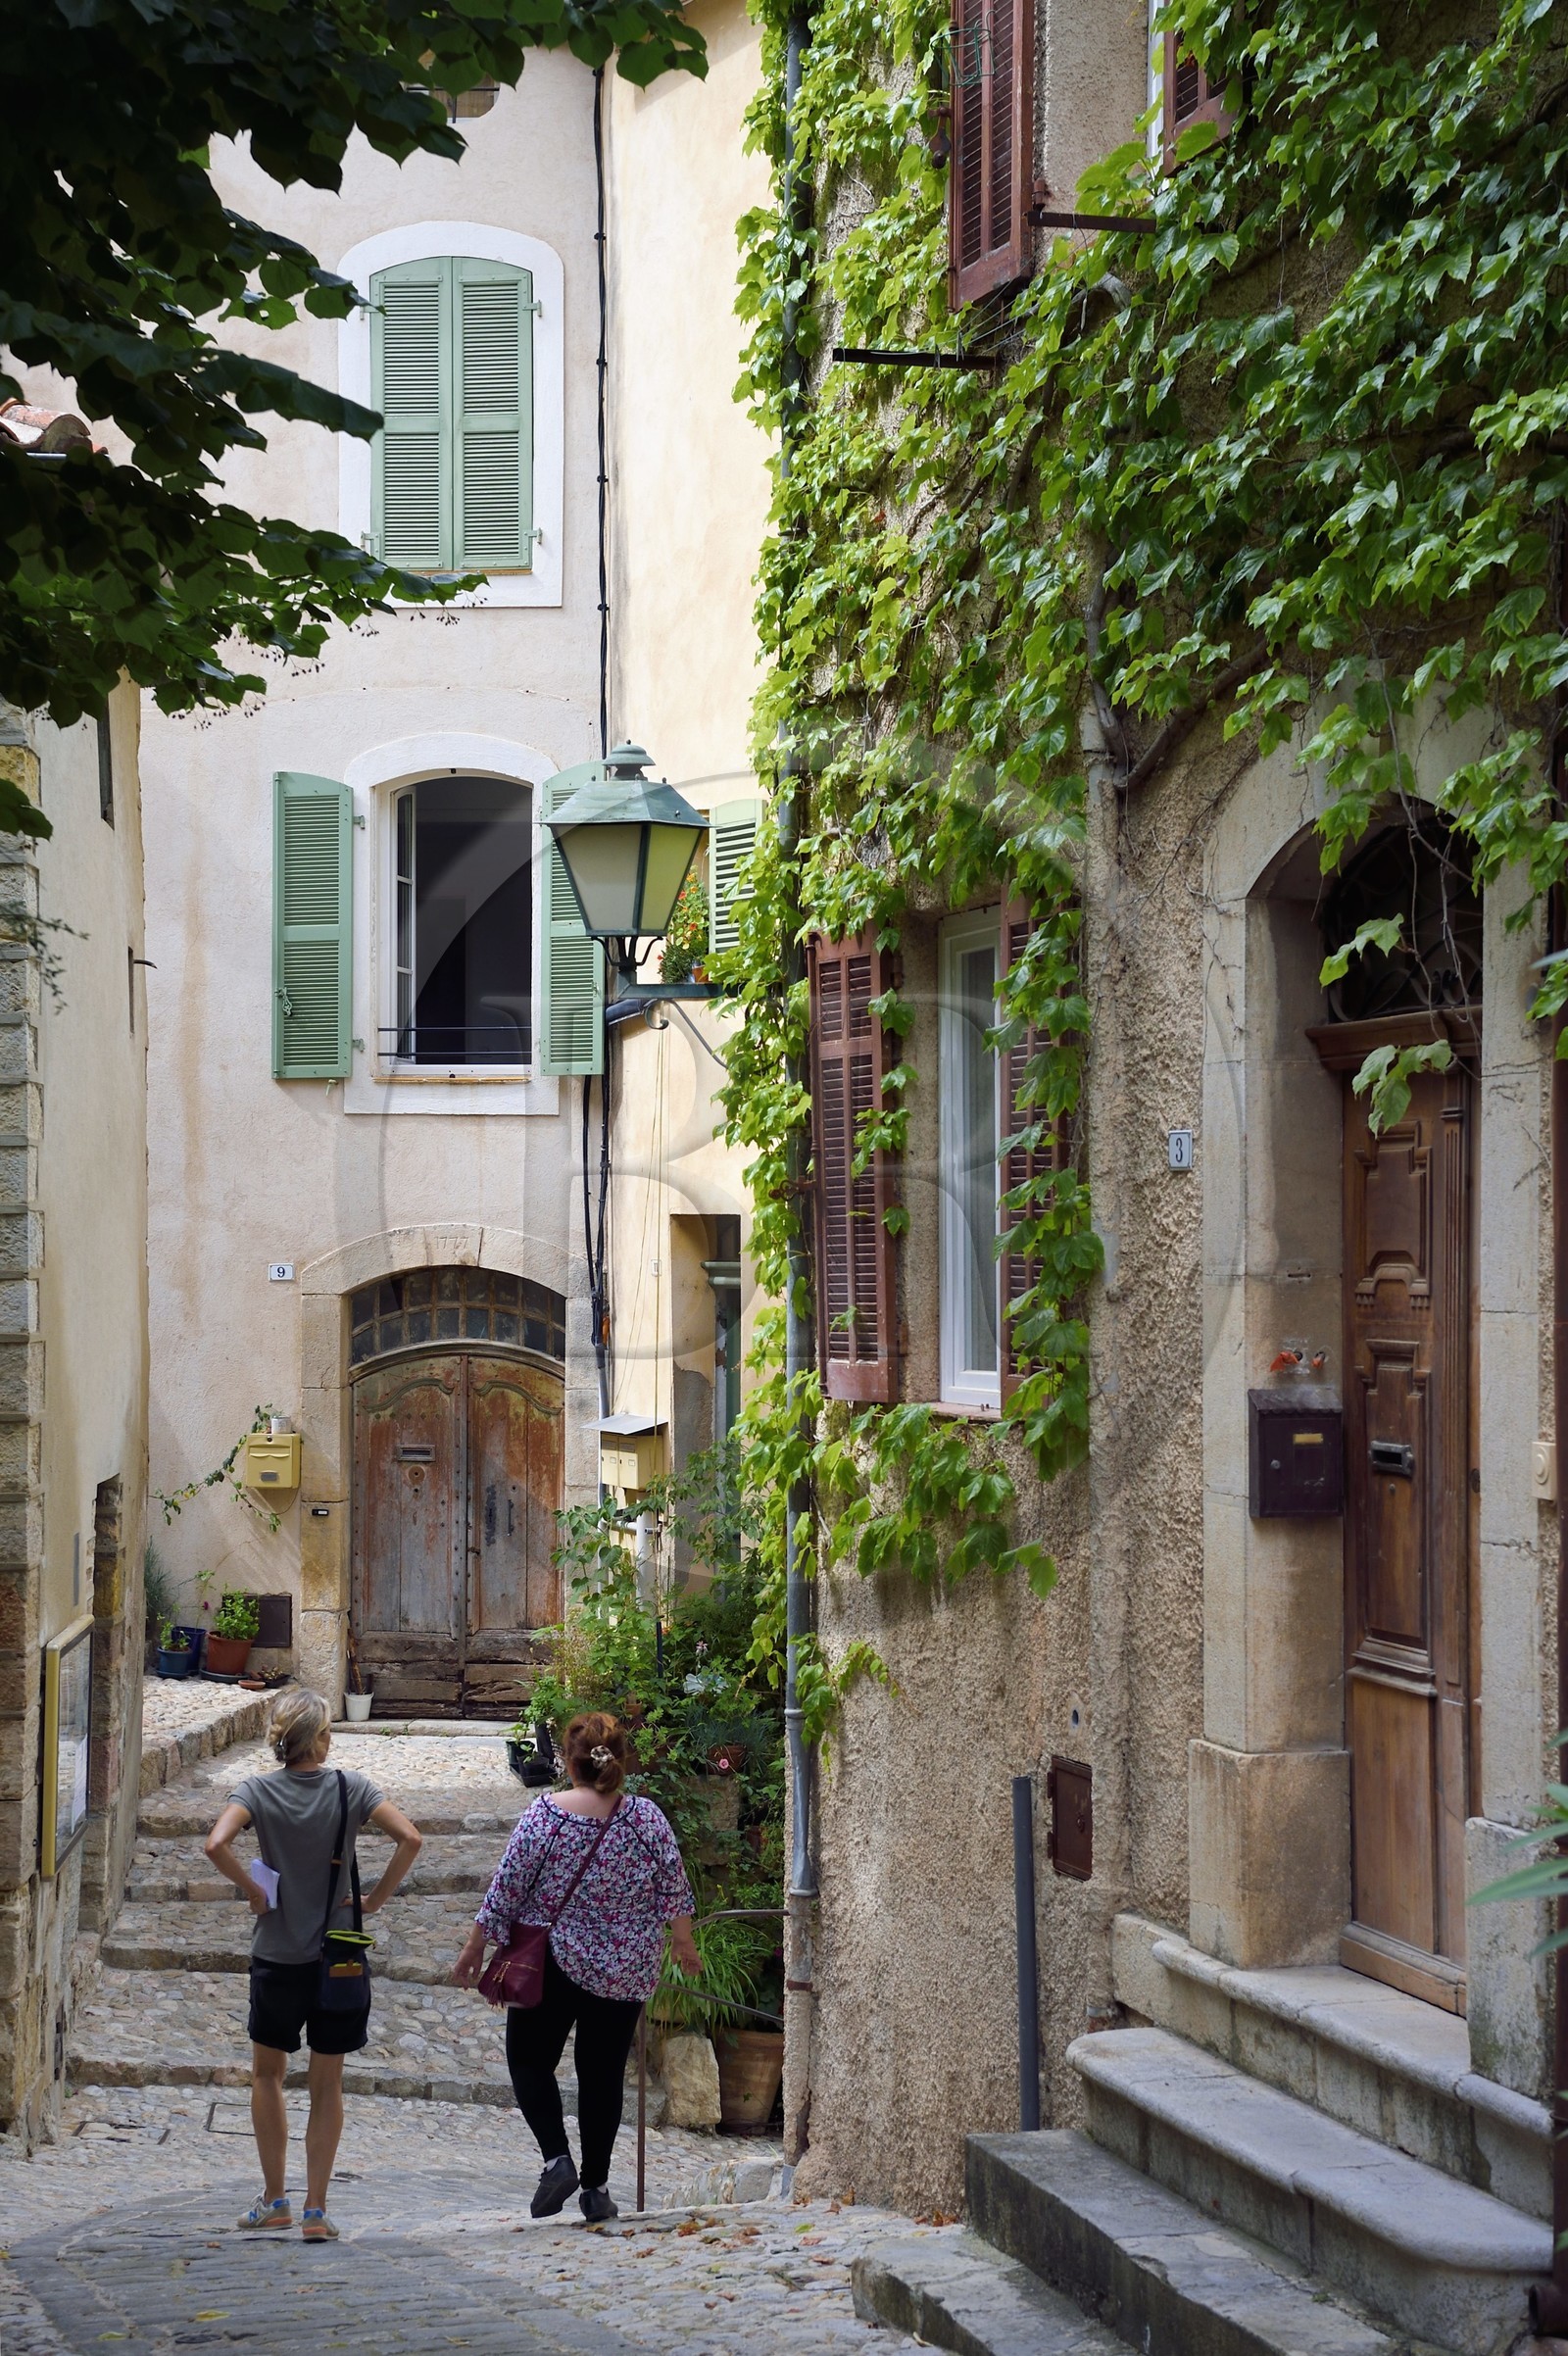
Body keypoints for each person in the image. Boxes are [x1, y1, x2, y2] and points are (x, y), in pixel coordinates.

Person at [453, 1709, 701, 2221]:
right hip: (626, 1966)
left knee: (528, 2060)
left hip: (554, 1961)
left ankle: (557, 2159)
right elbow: (673, 1886)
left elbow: (507, 1887)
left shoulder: (545, 1816)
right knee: (603, 2074)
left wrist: (476, 1946)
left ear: (569, 1762)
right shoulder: (647, 1819)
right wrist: (683, 1942)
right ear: (622, 1760)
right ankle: (596, 2190)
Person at [205, 1688, 423, 2240]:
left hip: (277, 1955)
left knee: (267, 2074)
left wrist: (254, 1889)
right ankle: (316, 2210)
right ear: (319, 1739)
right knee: (328, 2084)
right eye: (327, 1731)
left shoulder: (256, 1790)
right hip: (338, 1959)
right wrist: (373, 1901)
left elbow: (216, 1844)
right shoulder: (353, 1789)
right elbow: (410, 1837)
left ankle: (275, 2199)